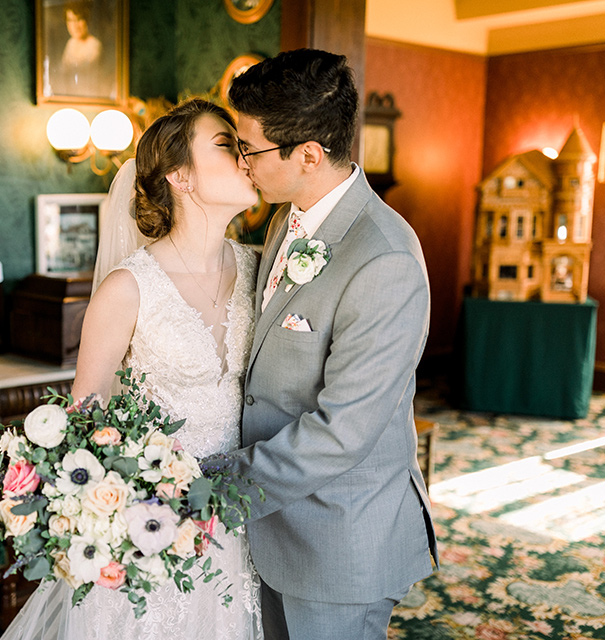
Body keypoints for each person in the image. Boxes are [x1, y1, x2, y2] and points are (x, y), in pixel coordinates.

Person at [0, 99, 263, 640]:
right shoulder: (128, 288)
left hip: (240, 513)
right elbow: (84, 420)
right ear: (180, 177)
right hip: (154, 522)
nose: (245, 157)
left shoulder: (260, 266)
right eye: (226, 144)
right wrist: (117, 510)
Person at [217, 48, 440, 640]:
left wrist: (217, 488)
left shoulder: (385, 259)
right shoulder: (283, 218)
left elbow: (342, 431)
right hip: (272, 525)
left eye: (251, 149)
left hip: (341, 540)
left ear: (309, 155)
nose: (243, 164)